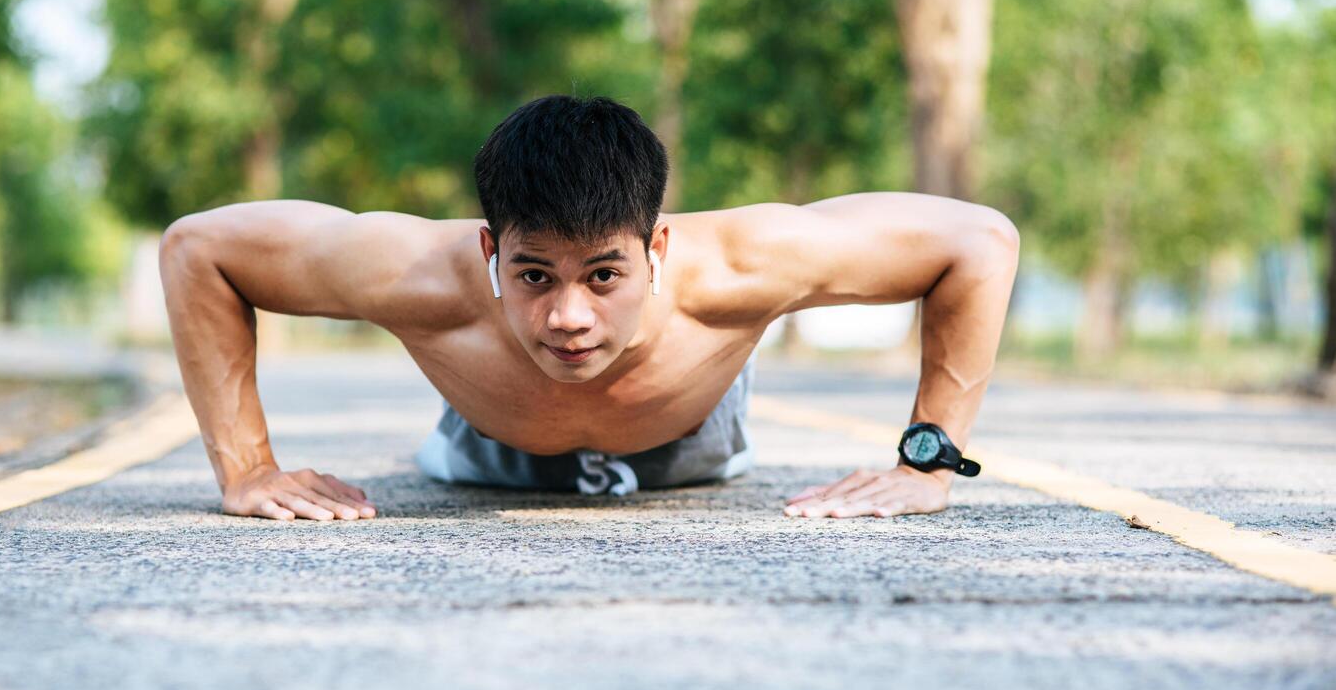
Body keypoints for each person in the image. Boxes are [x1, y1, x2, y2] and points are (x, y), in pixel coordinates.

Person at [159, 95, 1019, 522]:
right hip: (485, 445)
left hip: (692, 440)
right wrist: (247, 468)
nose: (569, 317)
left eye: (604, 277)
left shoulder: (749, 264)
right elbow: (199, 249)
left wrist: (924, 463)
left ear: (657, 252)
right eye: (534, 276)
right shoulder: (417, 270)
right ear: (490, 252)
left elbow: (977, 241)